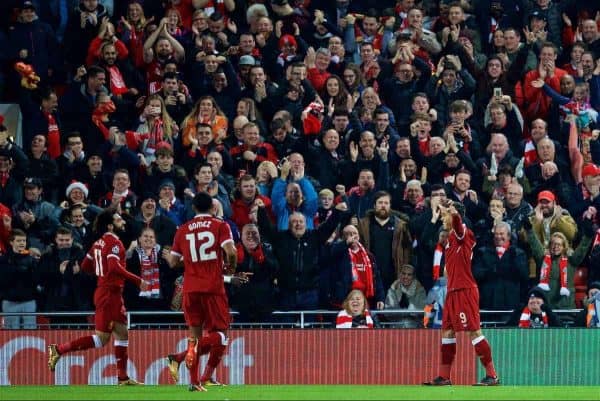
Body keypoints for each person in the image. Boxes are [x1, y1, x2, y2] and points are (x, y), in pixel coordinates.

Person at [47, 209, 148, 385]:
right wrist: (137, 280)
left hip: (106, 292)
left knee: (122, 334)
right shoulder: (114, 242)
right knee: (102, 339)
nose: (122, 221)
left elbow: (86, 266)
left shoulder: (97, 243)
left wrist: (101, 274)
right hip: (110, 294)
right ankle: (59, 349)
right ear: (110, 225)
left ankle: (123, 377)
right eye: (118, 219)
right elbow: (114, 266)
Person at [164, 192, 237, 392]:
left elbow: (172, 262)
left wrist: (188, 261)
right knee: (220, 336)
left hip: (190, 288)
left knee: (194, 337)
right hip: (213, 288)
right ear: (213, 208)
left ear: (194, 208)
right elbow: (231, 252)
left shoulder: (182, 230)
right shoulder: (220, 226)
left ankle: (195, 381)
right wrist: (230, 269)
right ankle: (184, 362)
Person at [424, 201, 499, 386]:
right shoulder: (449, 240)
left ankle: (492, 375)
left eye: (446, 214)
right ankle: (444, 376)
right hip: (452, 291)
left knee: (474, 331)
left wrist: (455, 213)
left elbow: (458, 225)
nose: (443, 218)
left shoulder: (464, 234)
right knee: (447, 331)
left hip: (465, 290)